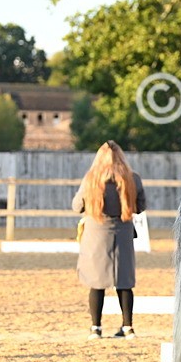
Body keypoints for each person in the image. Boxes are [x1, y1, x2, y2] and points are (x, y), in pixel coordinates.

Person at [72, 141, 146, 339]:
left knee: (96, 281)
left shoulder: (91, 179)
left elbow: (77, 206)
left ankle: (95, 327)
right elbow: (140, 206)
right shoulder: (133, 178)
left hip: (96, 234)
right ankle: (128, 327)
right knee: (124, 281)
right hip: (123, 232)